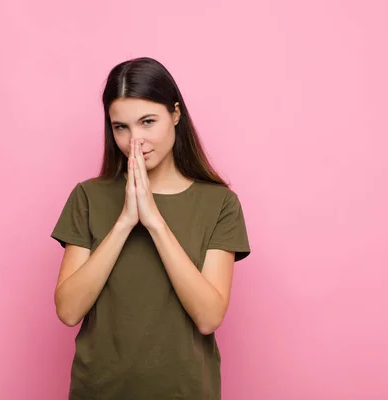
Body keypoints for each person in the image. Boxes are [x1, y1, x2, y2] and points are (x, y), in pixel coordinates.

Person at [51, 57, 250, 400]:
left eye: (147, 122)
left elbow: (208, 317)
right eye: (121, 127)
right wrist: (126, 221)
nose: (134, 141)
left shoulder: (220, 204)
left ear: (175, 114)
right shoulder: (88, 197)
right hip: (99, 390)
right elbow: (68, 311)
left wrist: (154, 221)